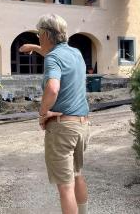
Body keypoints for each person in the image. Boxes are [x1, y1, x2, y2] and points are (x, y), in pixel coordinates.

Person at [19, 14, 90, 214]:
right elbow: (54, 55)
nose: (38, 37)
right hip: (82, 125)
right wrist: (33, 48)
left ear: (46, 34)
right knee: (77, 175)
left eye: (39, 34)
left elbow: (52, 88)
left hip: (62, 128)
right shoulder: (75, 53)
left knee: (65, 186)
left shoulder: (53, 58)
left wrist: (43, 113)